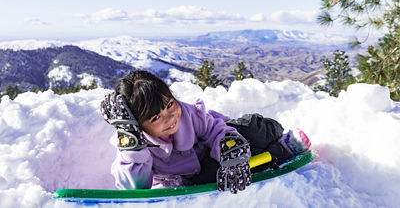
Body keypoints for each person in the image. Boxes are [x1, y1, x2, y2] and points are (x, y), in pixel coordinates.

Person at [100, 70, 310, 194]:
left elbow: (214, 129)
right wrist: (132, 142)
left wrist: (230, 151)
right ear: (137, 125)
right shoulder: (134, 146)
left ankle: (274, 133)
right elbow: (134, 187)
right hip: (200, 173)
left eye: (170, 105)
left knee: (255, 130)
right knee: (224, 177)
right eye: (156, 117)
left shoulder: (188, 114)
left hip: (220, 145)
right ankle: (282, 149)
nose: (170, 117)